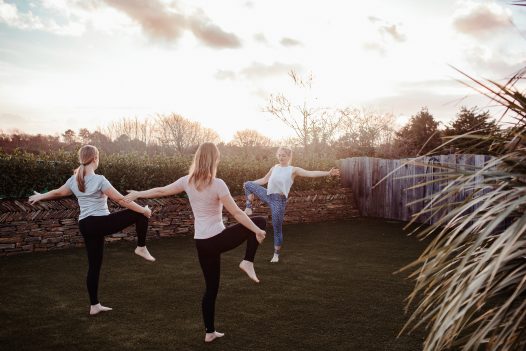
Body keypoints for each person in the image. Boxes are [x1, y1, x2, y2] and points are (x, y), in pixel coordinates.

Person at [124, 142, 266, 343]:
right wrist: (257, 231)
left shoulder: (186, 181)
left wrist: (139, 193)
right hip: (216, 239)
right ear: (214, 160)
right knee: (260, 220)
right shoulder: (218, 184)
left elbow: (161, 190)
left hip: (202, 243)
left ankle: (209, 332)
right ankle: (248, 261)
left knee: (211, 288)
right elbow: (236, 212)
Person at [28, 145, 155, 316]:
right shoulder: (99, 179)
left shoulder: (74, 179)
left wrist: (40, 196)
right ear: (95, 158)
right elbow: (120, 200)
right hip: (98, 222)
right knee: (140, 214)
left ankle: (94, 305)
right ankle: (141, 247)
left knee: (94, 266)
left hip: (86, 225)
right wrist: (144, 210)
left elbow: (58, 192)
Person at [243, 146, 340, 263]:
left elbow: (310, 173)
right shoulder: (274, 167)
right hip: (268, 195)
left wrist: (328, 173)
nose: (281, 157)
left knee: (277, 228)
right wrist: (249, 187)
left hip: (279, 201)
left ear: (289, 157)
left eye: (283, 155)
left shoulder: (293, 170)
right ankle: (249, 207)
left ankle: (276, 254)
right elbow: (264, 180)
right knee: (248, 184)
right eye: (279, 155)